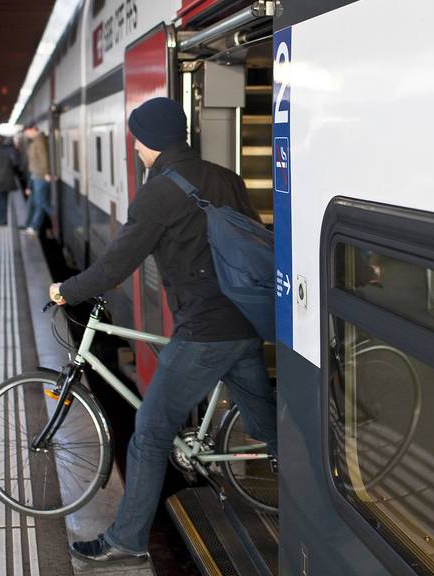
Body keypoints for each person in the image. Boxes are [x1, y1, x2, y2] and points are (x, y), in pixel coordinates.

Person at [49, 97, 277, 565]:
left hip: (204, 331)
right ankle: (317, 481)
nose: (134, 146)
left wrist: (66, 291)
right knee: (269, 425)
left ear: (150, 140)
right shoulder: (226, 177)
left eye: (136, 137)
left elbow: (116, 265)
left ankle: (125, 539)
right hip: (243, 322)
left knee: (150, 435)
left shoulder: (157, 194)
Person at [22, 124, 51, 236]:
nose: (26, 134)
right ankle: (30, 224)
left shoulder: (39, 142)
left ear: (33, 129)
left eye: (27, 132)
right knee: (34, 201)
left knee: (40, 202)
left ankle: (35, 226)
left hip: (40, 176)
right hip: (35, 176)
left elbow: (44, 159)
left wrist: (46, 173)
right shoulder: (35, 141)